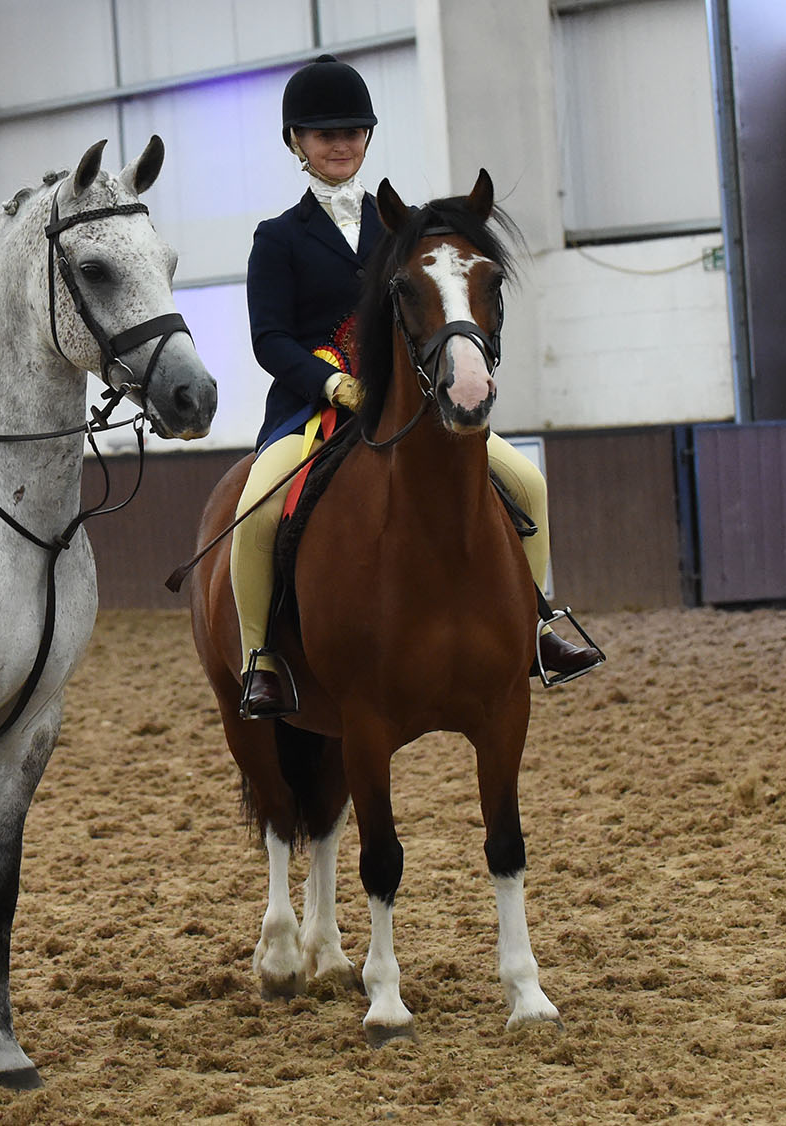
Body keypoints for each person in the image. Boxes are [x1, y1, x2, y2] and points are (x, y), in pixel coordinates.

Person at [231, 54, 603, 720]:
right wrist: (333, 384)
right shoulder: (278, 238)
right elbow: (269, 339)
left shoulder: (403, 231)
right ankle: (262, 657)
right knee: (257, 510)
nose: (341, 143)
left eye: (353, 130)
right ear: (297, 142)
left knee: (528, 485)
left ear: (368, 136)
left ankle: (539, 627)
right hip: (315, 414)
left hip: (412, 411)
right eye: (324, 134)